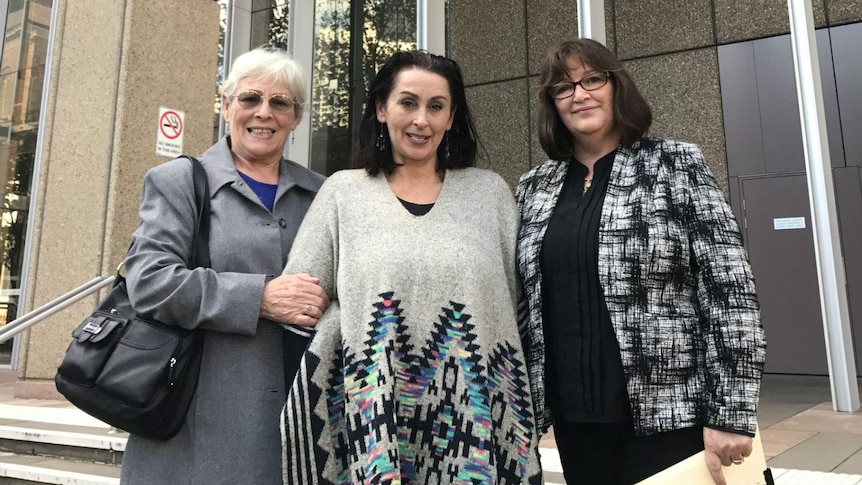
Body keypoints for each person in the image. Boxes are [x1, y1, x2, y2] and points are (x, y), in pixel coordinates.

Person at [279, 50, 543, 484]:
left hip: (475, 426)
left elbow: (516, 308)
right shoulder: (343, 194)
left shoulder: (490, 195)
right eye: (408, 103)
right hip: (372, 426)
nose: (421, 120)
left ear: (452, 117)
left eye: (436, 107)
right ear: (382, 109)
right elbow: (299, 302)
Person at [516, 38, 767, 485]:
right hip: (576, 422)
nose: (579, 94)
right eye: (563, 87)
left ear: (617, 86)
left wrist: (730, 411)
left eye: (592, 79)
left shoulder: (675, 164)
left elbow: (730, 291)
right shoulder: (534, 188)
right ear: (552, 104)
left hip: (670, 418)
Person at [120, 46, 329, 484]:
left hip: (301, 423)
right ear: (226, 104)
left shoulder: (323, 194)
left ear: (295, 117)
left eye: (280, 103)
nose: (264, 113)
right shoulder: (179, 181)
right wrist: (260, 298)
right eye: (251, 98)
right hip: (195, 427)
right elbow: (151, 282)